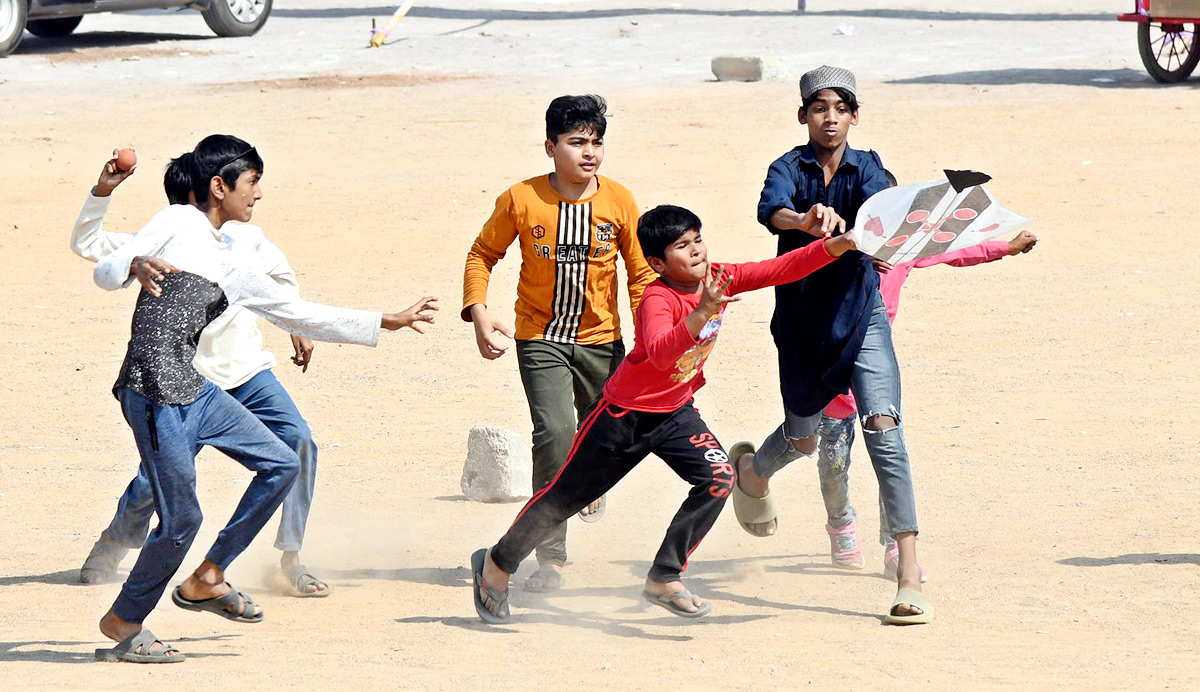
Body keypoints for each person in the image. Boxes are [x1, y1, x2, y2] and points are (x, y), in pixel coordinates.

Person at [91, 134, 438, 663]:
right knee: (181, 519)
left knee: (281, 461)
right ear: (218, 186)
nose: (257, 195)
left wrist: (387, 320)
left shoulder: (232, 261)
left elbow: (299, 313)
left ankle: (209, 575)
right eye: (251, 183)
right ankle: (125, 620)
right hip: (154, 393)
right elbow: (104, 268)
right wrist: (134, 263)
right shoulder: (178, 222)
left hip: (196, 390)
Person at [471, 203, 856, 623]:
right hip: (623, 417)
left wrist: (837, 245)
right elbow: (658, 352)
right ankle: (496, 564)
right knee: (563, 500)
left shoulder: (718, 277)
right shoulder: (658, 297)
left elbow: (781, 268)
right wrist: (703, 311)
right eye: (681, 246)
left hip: (676, 413)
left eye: (698, 240)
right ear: (657, 262)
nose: (696, 251)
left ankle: (664, 577)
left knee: (719, 478)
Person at [73, 150, 335, 598]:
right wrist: (102, 192)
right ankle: (116, 539)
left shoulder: (249, 239)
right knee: (151, 483)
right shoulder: (167, 234)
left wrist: (296, 328)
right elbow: (89, 245)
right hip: (190, 378)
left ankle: (290, 556)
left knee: (299, 442)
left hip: (247, 370)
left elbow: (282, 277)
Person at [729, 65, 933, 625]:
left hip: (862, 316)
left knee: (885, 430)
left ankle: (909, 572)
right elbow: (770, 210)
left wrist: (859, 230)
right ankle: (751, 474)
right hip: (801, 322)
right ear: (803, 115)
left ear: (854, 116)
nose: (830, 117)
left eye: (841, 108)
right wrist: (806, 220)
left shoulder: (868, 166)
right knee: (803, 437)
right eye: (819, 107)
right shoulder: (787, 167)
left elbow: (879, 211)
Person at [462, 94, 656, 593]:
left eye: (596, 142)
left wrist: (652, 336)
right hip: (540, 338)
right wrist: (479, 314)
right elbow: (482, 254)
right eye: (576, 142)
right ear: (550, 147)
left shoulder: (620, 201)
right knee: (553, 433)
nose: (588, 152)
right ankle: (550, 558)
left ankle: (588, 480)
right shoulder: (521, 199)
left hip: (603, 342)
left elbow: (639, 275)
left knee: (606, 440)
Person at [816, 224, 1038, 575]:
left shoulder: (905, 250)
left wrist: (1006, 248)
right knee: (833, 463)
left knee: (890, 457)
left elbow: (955, 249)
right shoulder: (830, 250)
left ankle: (893, 543)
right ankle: (840, 525)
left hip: (877, 374)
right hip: (831, 376)